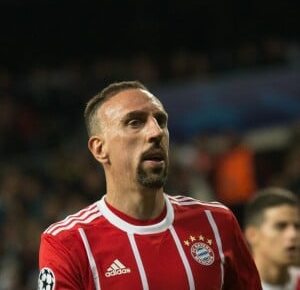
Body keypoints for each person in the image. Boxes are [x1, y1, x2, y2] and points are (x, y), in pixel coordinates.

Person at [38, 80, 262, 289]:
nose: (156, 132)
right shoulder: (67, 243)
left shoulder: (217, 222)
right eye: (134, 122)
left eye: (161, 121)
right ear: (99, 149)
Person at [244, 187, 300, 290]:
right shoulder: (233, 285)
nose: (293, 234)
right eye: (281, 226)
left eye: (297, 226)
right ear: (252, 235)